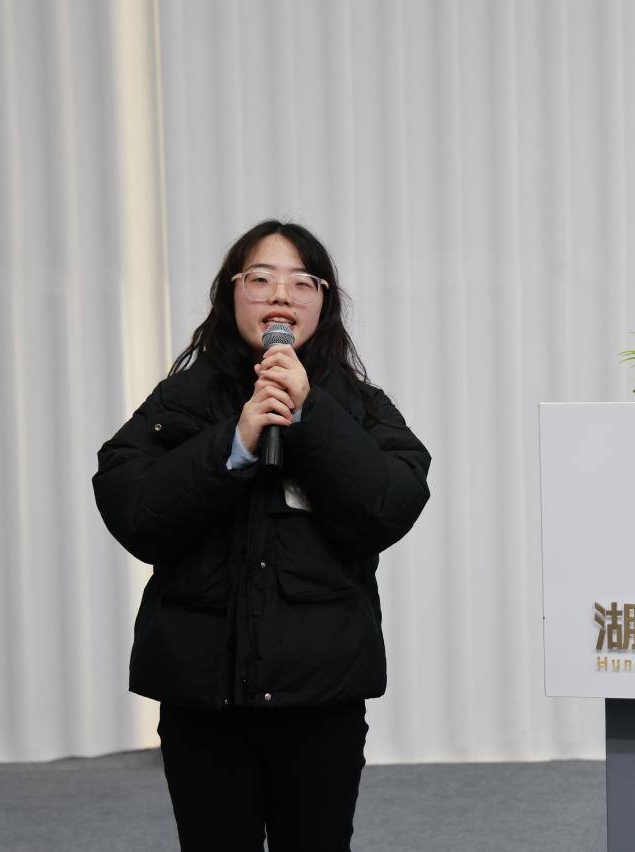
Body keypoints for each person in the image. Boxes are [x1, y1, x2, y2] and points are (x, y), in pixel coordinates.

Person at [92, 220, 431, 851]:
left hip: (321, 696)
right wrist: (237, 441)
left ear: (323, 303)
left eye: (303, 282)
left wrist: (310, 414)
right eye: (261, 278)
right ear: (230, 293)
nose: (281, 294)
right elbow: (134, 510)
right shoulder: (180, 400)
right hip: (202, 698)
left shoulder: (358, 407)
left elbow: (389, 506)